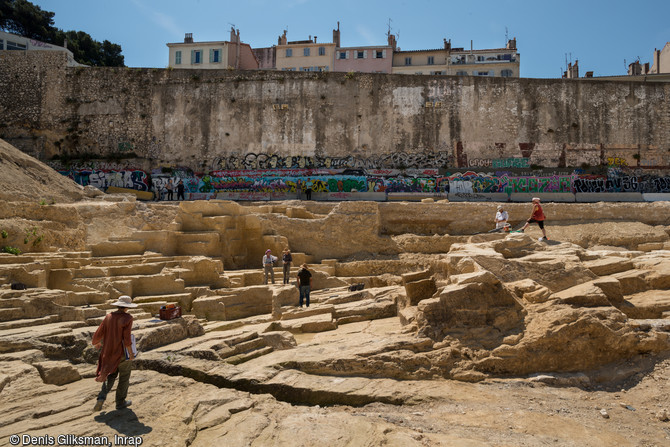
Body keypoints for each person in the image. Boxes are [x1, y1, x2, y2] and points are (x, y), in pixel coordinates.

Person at [92, 295, 137, 411]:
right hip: (121, 353)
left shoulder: (108, 317)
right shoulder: (127, 318)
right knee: (124, 377)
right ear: (127, 307)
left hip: (109, 352)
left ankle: (101, 398)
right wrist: (131, 353)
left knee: (110, 376)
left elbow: (97, 335)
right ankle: (120, 403)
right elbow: (126, 339)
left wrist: (96, 342)